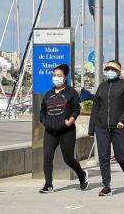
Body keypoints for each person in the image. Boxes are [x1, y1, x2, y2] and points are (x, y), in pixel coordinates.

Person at [39, 64, 89, 193]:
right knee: (47, 157)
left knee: (68, 159)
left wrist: (70, 121)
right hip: (50, 131)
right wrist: (44, 122)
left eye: (59, 75)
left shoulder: (71, 92)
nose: (56, 78)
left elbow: (76, 109)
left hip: (66, 131)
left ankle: (82, 175)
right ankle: (48, 185)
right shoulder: (48, 94)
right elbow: (42, 112)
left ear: (65, 77)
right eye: (54, 75)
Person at [89, 60, 124, 196]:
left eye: (113, 69)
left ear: (118, 72)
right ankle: (106, 186)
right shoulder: (102, 86)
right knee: (103, 157)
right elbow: (95, 107)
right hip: (102, 126)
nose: (109, 71)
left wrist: (122, 120)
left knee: (120, 156)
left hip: (119, 127)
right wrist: (92, 128)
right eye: (108, 69)